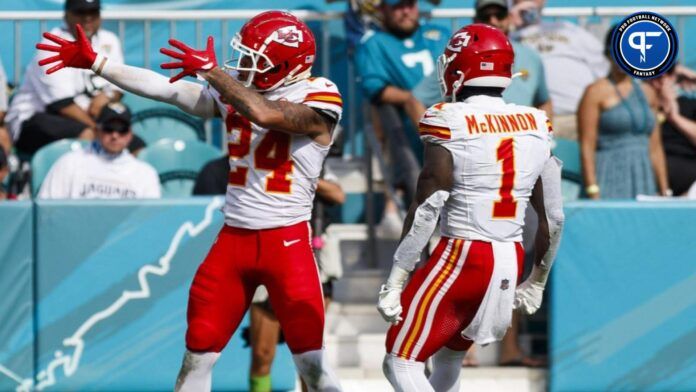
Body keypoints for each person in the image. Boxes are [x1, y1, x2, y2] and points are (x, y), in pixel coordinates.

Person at [35, 10, 343, 392]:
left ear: (287, 66)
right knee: (196, 355)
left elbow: (265, 113)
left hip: (288, 243)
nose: (245, 65)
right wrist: (99, 64)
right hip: (234, 241)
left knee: (312, 365)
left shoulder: (318, 94)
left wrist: (214, 73)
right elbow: (167, 89)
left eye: (255, 59)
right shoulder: (236, 91)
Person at [376, 24, 564, 391]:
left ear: (459, 68)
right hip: (509, 257)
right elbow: (553, 216)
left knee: (400, 359)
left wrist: (397, 277)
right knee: (448, 354)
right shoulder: (537, 122)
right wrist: (537, 280)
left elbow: (427, 206)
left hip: (463, 254)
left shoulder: (447, 118)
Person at [473, 0, 552, 368]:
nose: (493, 21)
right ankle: (465, 346)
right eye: (485, 15)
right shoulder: (463, 49)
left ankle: (509, 348)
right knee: (470, 255)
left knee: (516, 261)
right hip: (475, 177)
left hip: (519, 180)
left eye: (498, 14)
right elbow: (420, 99)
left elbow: (544, 102)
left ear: (510, 17)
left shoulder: (531, 58)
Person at [355, 0, 449, 231]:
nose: (406, 11)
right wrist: (412, 100)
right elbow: (375, 88)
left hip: (451, 112)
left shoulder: (440, 34)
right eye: (398, 6)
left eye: (410, 4)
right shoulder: (374, 44)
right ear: (383, 10)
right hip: (409, 125)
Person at [6, 0, 124, 155]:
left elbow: (119, 87)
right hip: (33, 118)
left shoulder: (109, 40)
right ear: (67, 15)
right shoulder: (53, 44)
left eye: (93, 12)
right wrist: (99, 130)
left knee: (131, 139)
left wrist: (107, 96)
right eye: (80, 12)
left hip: (82, 117)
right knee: (90, 135)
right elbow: (62, 105)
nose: (88, 18)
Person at [578, 28, 670, 200]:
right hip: (608, 175)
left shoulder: (648, 92)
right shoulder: (594, 92)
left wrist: (665, 190)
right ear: (608, 54)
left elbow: (655, 147)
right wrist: (592, 189)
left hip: (644, 177)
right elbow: (587, 145)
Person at [510, 0, 609, 140]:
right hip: (536, 122)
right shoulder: (509, 39)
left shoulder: (568, 29)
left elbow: (605, 68)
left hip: (579, 117)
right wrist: (511, 23)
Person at [38, 103, 160, 199]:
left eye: (122, 130)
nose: (115, 135)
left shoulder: (145, 174)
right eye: (109, 128)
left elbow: (149, 221)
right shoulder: (69, 164)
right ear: (97, 130)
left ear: (130, 134)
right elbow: (47, 210)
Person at [650, 65, 696, 196]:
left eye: (667, 74)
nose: (660, 82)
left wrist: (675, 118)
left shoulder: (690, 106)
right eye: (655, 76)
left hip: (691, 184)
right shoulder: (641, 110)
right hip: (653, 180)